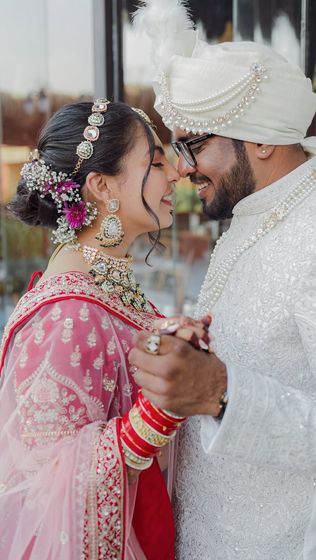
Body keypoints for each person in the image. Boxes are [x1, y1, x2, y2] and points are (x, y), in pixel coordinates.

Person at [129, 2, 316, 559]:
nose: (182, 167)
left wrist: (221, 392)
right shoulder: (250, 218)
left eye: (193, 144)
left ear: (260, 140)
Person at [0, 99, 208, 559]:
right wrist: (157, 414)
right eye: (155, 162)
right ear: (100, 186)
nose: (176, 173)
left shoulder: (104, 287)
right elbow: (45, 485)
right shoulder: (67, 313)